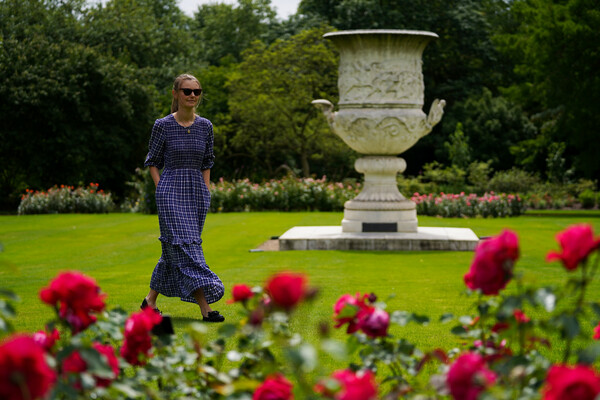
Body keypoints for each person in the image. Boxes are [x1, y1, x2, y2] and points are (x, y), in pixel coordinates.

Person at [141, 73, 225, 322]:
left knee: (173, 248)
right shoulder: (162, 125)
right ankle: (205, 308)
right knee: (188, 247)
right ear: (176, 94)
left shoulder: (205, 126)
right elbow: (153, 161)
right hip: (170, 193)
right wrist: (160, 189)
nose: (192, 96)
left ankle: (150, 301)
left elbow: (207, 161)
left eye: (196, 92)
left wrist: (205, 190)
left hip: (196, 193)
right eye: (187, 91)